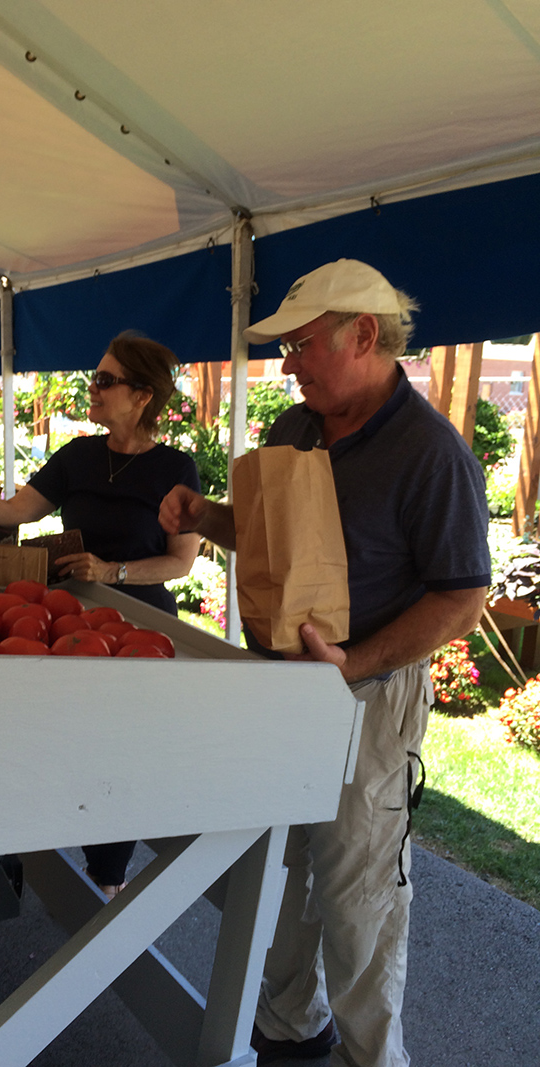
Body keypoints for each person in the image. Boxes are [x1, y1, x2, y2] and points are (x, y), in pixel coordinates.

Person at [159, 259, 490, 1067]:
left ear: (363, 336)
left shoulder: (431, 454)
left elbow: (462, 598)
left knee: (357, 893)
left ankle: (373, 1056)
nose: (288, 364)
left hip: (368, 695)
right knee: (286, 865)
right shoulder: (296, 429)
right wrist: (209, 517)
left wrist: (352, 663)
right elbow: (270, 537)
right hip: (287, 689)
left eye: (301, 345)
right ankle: (290, 1027)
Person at [0, 332, 201, 898]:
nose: (92, 389)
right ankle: (29, 847)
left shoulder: (176, 468)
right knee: (56, 738)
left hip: (140, 633)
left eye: (106, 381)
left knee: (118, 751)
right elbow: (12, 512)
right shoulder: (78, 455)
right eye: (94, 377)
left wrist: (114, 572)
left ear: (142, 396)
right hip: (69, 623)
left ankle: (108, 877)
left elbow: (181, 563)